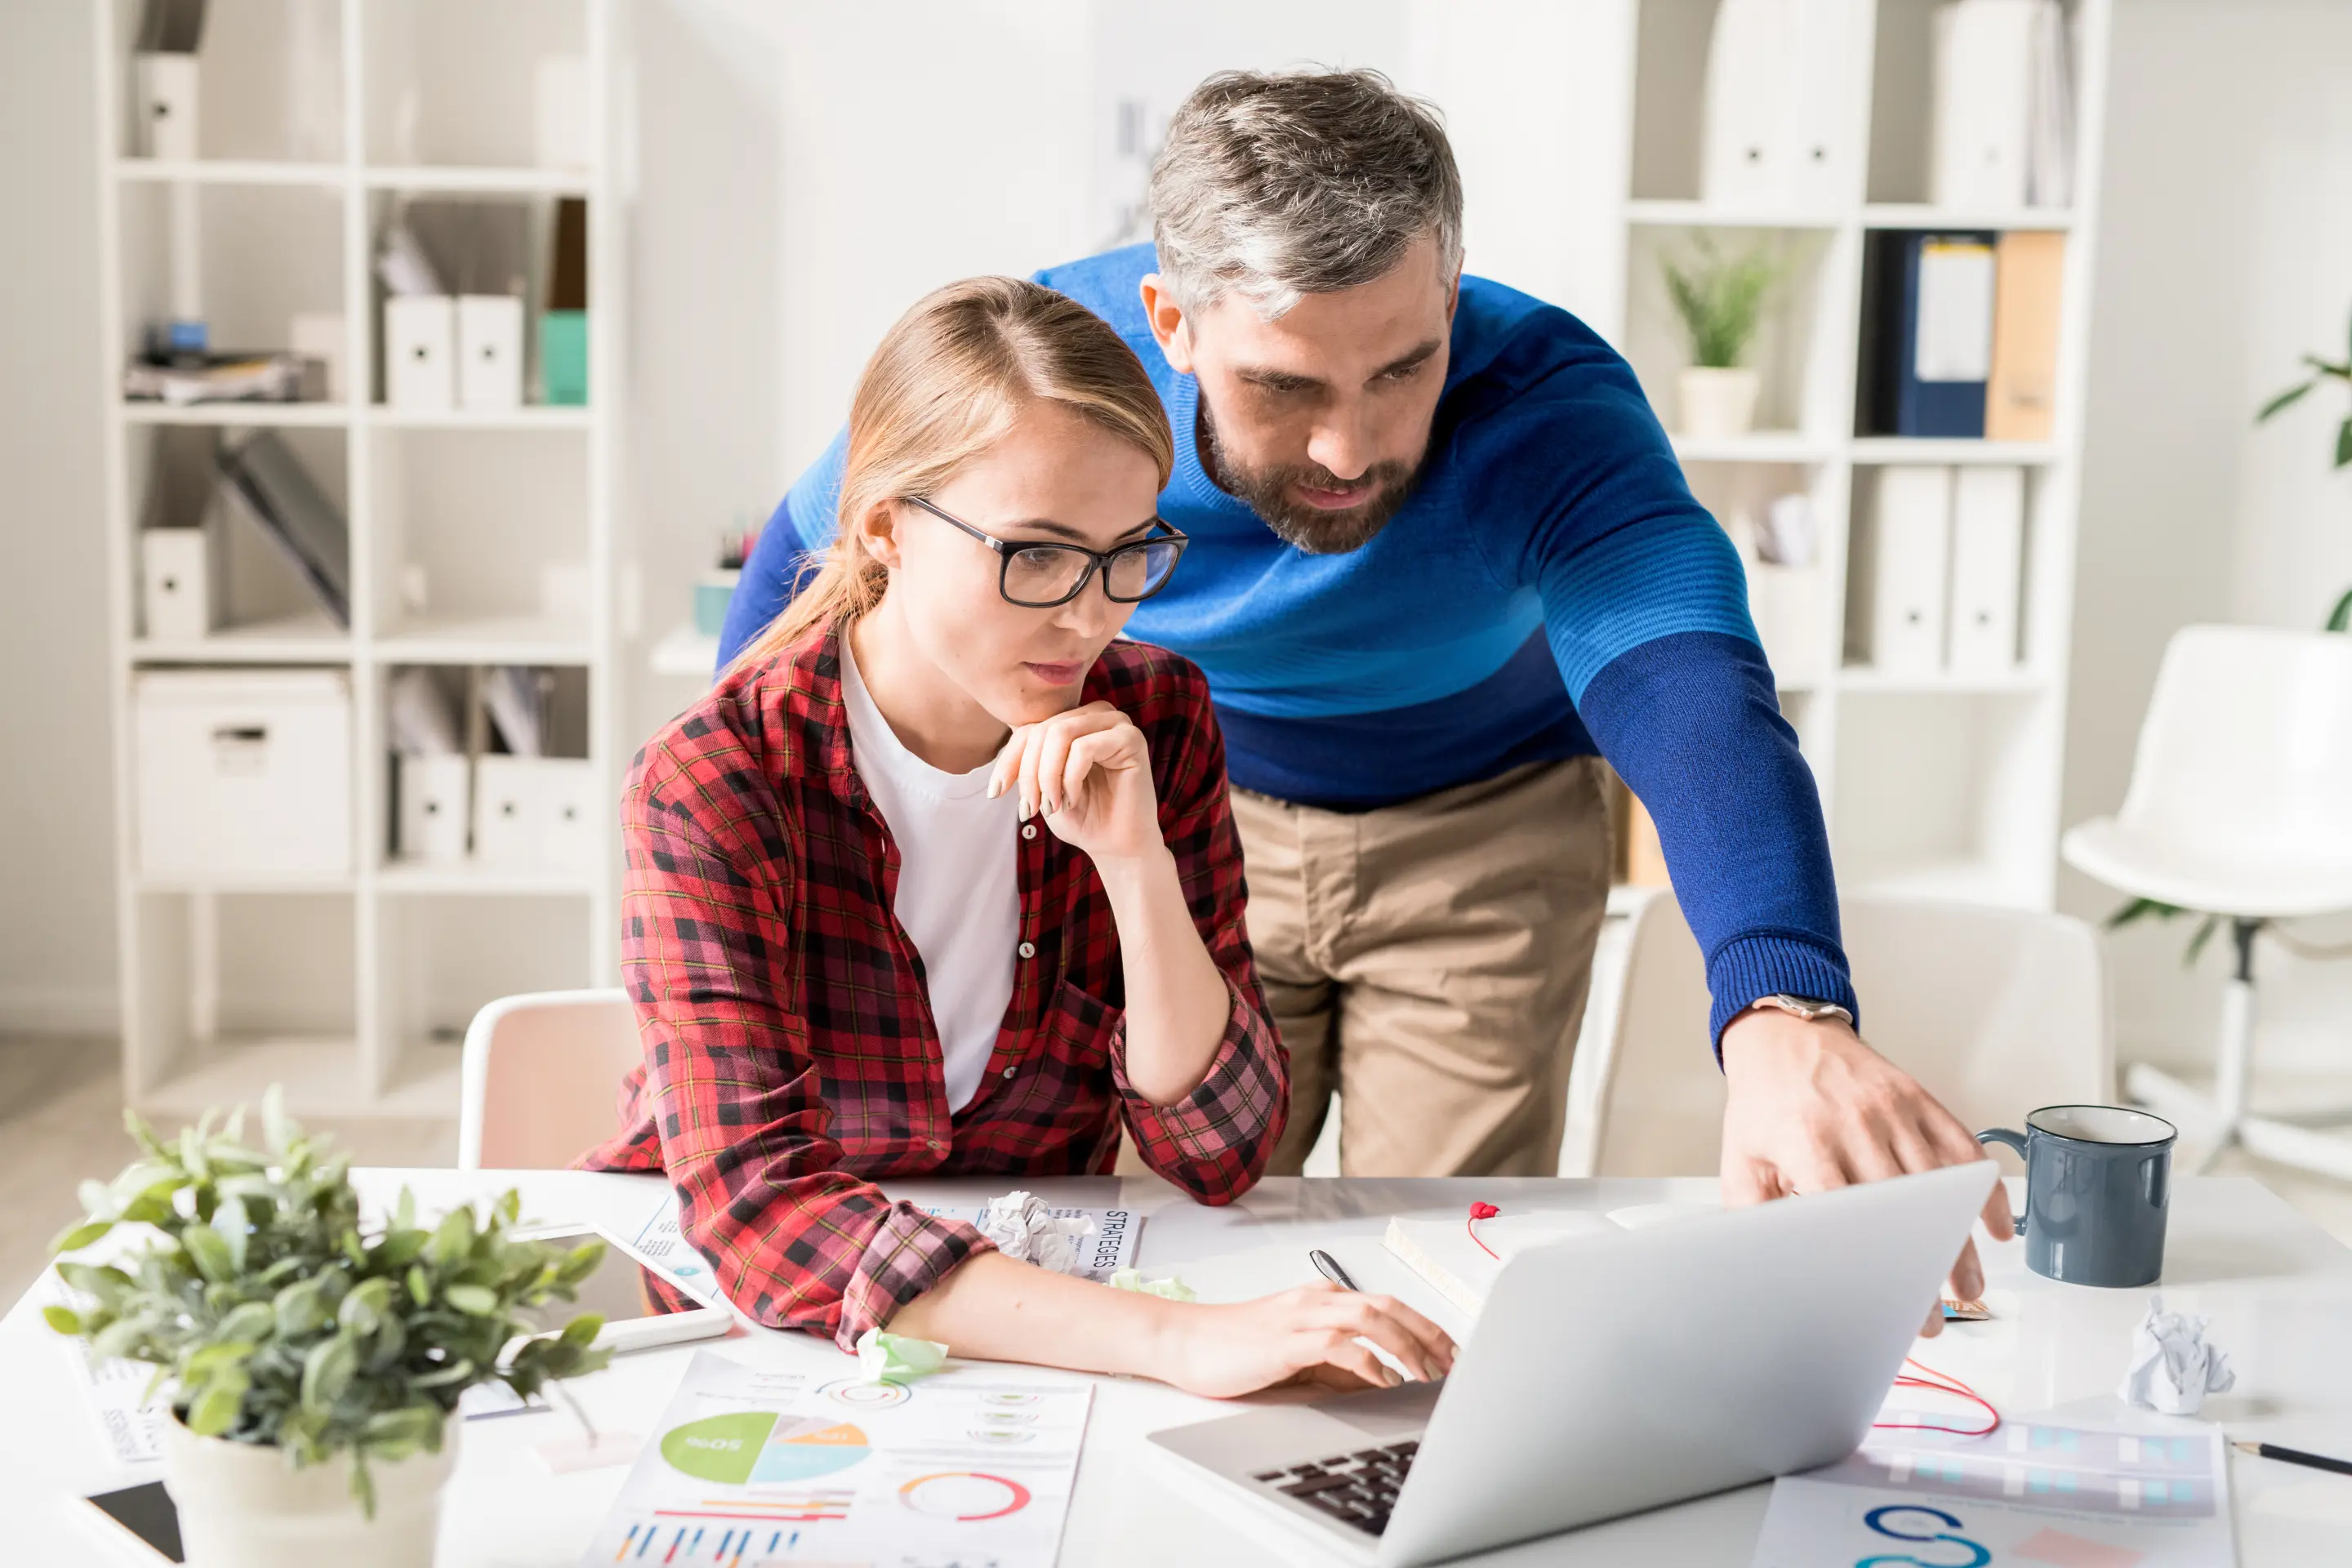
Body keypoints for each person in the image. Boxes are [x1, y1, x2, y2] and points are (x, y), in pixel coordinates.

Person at [722, 71, 2011, 1328]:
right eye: (1285, 389)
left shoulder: (1547, 401)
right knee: (1164, 1235)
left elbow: (1688, 678)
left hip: (1483, 838)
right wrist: (736, 895)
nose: (1349, 450)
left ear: (1448, 295)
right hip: (1176, 823)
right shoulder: (1056, 376)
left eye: (1402, 369)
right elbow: (812, 560)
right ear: (1170, 322)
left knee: (1447, 1259)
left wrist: (1782, 1006)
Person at [582, 277, 1454, 1393]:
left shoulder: (1156, 719)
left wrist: (1135, 868)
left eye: (1126, 554)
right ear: (885, 525)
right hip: (765, 1337)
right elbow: (763, 1210)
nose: (1091, 615)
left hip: (1030, 1343)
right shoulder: (715, 780)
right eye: (1035, 555)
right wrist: (1179, 1341)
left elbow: (1224, 1152)